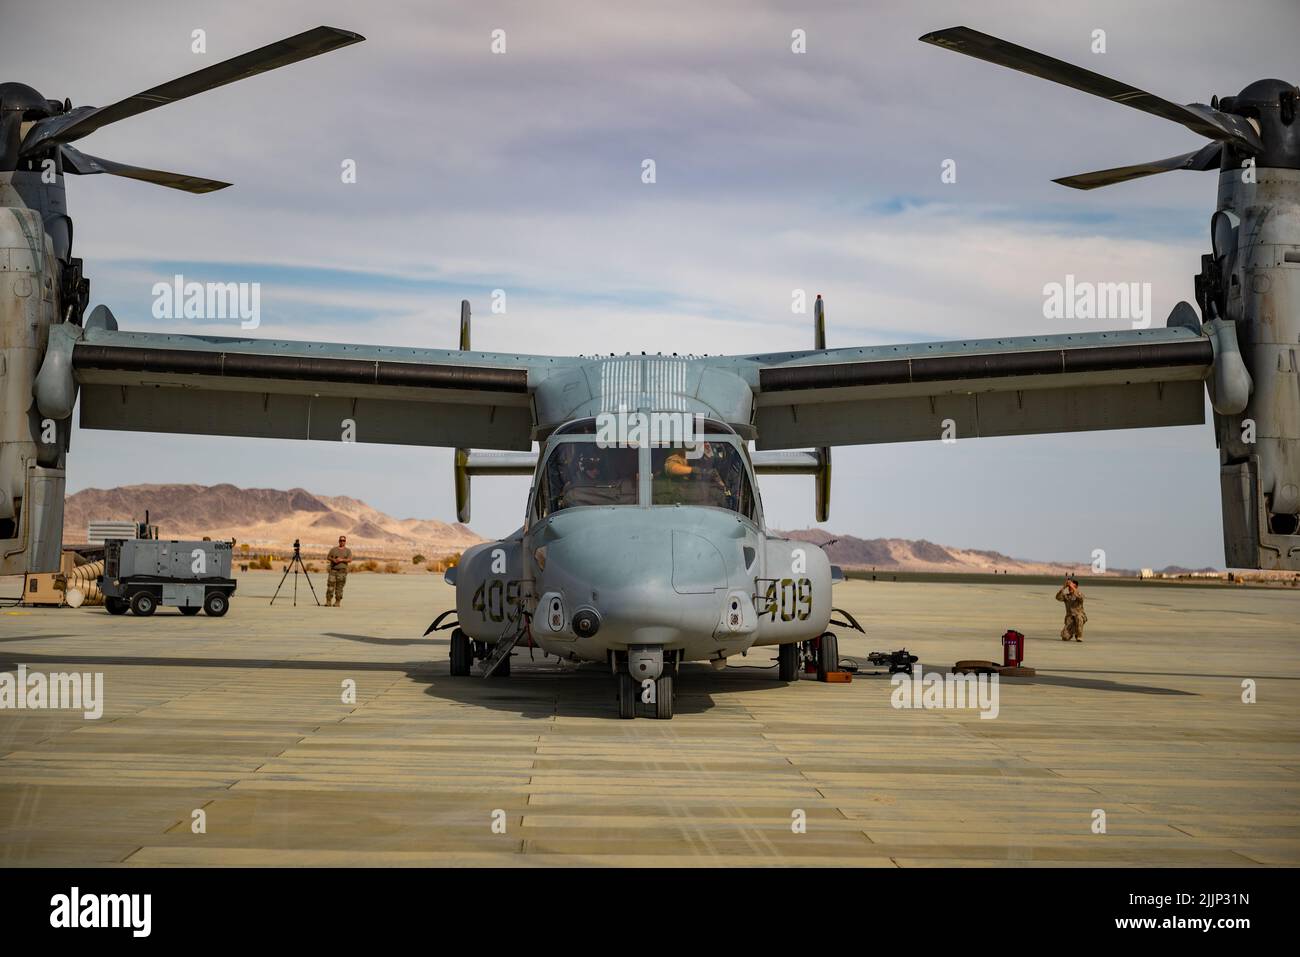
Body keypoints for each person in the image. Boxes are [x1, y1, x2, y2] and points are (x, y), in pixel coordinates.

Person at [1056, 577, 1087, 641]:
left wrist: (1072, 587)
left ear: (1076, 586)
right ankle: (1073, 631)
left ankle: (1079, 635)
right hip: (1070, 619)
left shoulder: (1079, 594)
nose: (1069, 588)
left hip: (1079, 617)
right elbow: (1058, 597)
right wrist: (1064, 587)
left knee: (1078, 617)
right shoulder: (1066, 596)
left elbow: (1081, 598)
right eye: (1069, 587)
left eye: (1071, 586)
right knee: (1064, 637)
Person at [326, 535, 352, 607]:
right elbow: (328, 557)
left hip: (342, 571)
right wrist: (333, 560)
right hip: (333, 571)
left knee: (339, 587)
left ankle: (337, 602)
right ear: (339, 541)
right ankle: (328, 601)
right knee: (330, 587)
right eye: (341, 540)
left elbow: (350, 560)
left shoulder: (348, 551)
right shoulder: (333, 549)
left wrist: (342, 560)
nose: (342, 542)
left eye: (343, 540)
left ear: (345, 542)